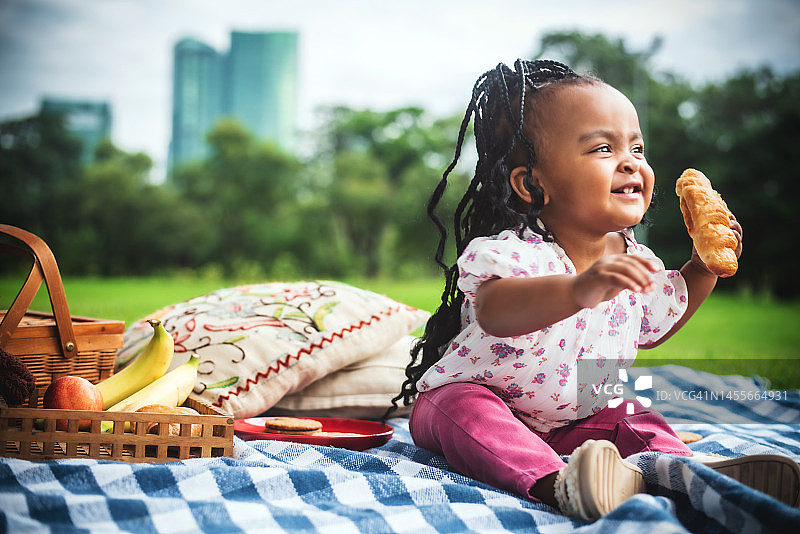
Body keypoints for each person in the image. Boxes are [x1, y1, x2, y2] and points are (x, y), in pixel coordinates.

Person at [389, 59, 799, 521]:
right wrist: (577, 289)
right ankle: (557, 485)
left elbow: (657, 323)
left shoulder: (634, 260)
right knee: (465, 410)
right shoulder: (516, 253)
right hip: (475, 402)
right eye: (603, 149)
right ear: (531, 184)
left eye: (637, 148)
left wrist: (702, 269)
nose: (630, 162)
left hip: (572, 419)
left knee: (628, 411)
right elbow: (495, 311)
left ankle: (684, 471)